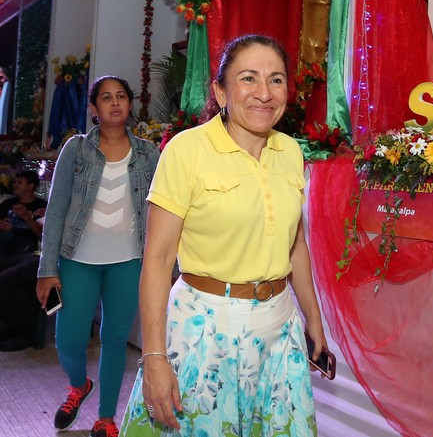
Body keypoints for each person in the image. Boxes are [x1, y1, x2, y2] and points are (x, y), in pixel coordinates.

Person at [120, 34, 328, 436]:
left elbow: (295, 244)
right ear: (220, 91)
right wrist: (154, 357)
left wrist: (313, 319)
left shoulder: (290, 151)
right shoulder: (186, 150)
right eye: (248, 78)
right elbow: (158, 260)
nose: (264, 93)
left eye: (276, 80)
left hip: (279, 328)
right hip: (205, 331)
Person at [36, 76, 160, 437]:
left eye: (121, 96)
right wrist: (47, 268)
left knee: (115, 340)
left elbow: (162, 211)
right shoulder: (75, 150)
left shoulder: (149, 153)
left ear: (130, 104)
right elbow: (56, 210)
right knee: (69, 340)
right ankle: (79, 385)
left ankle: (106, 418)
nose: (115, 102)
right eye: (106, 97)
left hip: (128, 261)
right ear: (93, 107)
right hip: (78, 260)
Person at [0, 170, 47, 351]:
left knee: (6, 279)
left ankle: (26, 333)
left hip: (30, 249)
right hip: (9, 246)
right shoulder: (8, 203)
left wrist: (27, 218)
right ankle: (10, 323)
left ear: (31, 186)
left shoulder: (42, 206)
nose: (15, 185)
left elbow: (43, 236)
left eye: (20, 182)